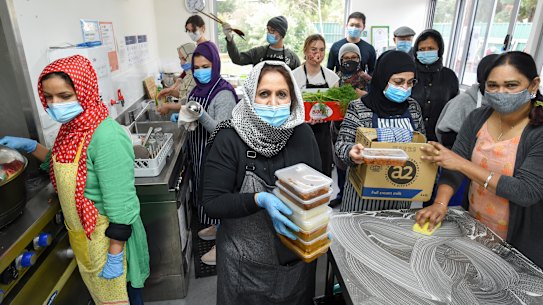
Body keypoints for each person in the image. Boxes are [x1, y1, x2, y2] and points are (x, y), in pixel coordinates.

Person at [0, 55, 149, 305]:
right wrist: (30, 146)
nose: (55, 104)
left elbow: (121, 206)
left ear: (84, 90)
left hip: (112, 242)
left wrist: (114, 255)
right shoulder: (71, 128)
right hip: (87, 241)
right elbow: (58, 164)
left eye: (65, 96)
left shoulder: (106, 136)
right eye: (48, 97)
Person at [201, 61, 321, 305]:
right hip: (243, 264)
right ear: (249, 95)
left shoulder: (302, 134)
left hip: (295, 260)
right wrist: (259, 199)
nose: (274, 103)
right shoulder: (229, 137)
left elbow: (317, 187)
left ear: (293, 98)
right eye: (264, 94)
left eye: (282, 94)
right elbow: (213, 203)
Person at [416, 51, 543, 268]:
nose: (501, 92)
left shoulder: (538, 131)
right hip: (477, 227)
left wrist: (461, 163)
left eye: (511, 85)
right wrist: (440, 203)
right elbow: (453, 166)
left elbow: (526, 192)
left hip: (520, 244)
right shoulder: (478, 118)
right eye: (493, 86)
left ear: (533, 85)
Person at [335, 50, 425, 212]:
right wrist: (352, 152)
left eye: (410, 82)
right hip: (362, 198)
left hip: (400, 192)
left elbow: (420, 141)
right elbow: (341, 144)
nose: (405, 88)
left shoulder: (413, 108)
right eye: (398, 82)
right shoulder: (359, 107)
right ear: (383, 78)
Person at [182, 41, 238, 266]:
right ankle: (217, 227)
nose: (200, 71)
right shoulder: (196, 89)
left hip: (217, 156)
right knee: (208, 194)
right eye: (196, 67)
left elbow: (222, 131)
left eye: (205, 66)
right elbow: (191, 113)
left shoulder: (223, 93)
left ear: (215, 64)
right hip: (200, 152)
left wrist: (201, 115)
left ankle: (223, 245)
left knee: (219, 196)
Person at [329, 43, 372, 207]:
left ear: (359, 59)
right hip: (338, 126)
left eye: (353, 57)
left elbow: (375, 100)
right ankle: (341, 193)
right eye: (346, 58)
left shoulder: (367, 80)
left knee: (358, 161)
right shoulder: (334, 79)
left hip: (360, 128)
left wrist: (364, 96)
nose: (350, 60)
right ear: (340, 60)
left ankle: (354, 194)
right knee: (340, 160)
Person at [292, 34, 339, 177]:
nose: (317, 54)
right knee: (299, 175)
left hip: (323, 134)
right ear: (305, 51)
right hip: (299, 132)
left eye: (321, 49)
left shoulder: (332, 78)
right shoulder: (293, 76)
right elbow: (289, 106)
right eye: (313, 49)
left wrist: (327, 115)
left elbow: (336, 106)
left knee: (322, 174)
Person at [436, 54, 499, 148]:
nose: (499, 90)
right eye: (493, 84)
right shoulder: (463, 102)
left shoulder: (505, 104)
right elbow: (446, 136)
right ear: (481, 80)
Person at [411, 29, 459, 142]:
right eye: (421, 49)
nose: (426, 52)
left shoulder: (449, 76)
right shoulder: (410, 73)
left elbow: (454, 109)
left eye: (431, 49)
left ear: (439, 50)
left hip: (440, 140)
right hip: (410, 137)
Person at [222, 16, 301, 70]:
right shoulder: (258, 52)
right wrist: (229, 38)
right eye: (268, 29)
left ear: (281, 34)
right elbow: (237, 59)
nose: (269, 33)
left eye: (273, 30)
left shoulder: (293, 58)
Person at [157, 42, 197, 119]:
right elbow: (186, 95)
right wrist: (171, 92)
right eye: (180, 58)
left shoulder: (195, 77)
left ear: (192, 57)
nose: (181, 62)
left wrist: (167, 106)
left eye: (184, 59)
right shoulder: (188, 75)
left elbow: (188, 102)